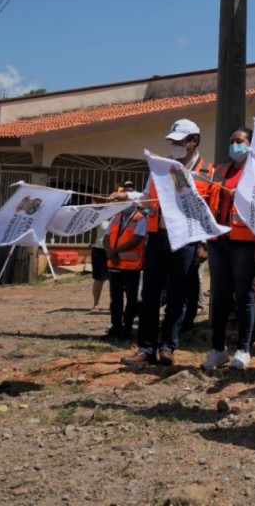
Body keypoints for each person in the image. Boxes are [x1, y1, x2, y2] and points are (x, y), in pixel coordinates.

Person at [119, 119, 213, 366]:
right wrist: (127, 196)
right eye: (172, 141)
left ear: (194, 141)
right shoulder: (160, 168)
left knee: (178, 295)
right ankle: (147, 348)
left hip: (186, 241)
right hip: (158, 237)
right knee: (150, 294)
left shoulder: (208, 173)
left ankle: (168, 347)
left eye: (180, 141)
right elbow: (147, 198)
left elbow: (206, 212)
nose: (175, 146)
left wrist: (202, 244)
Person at [201, 127, 255, 371]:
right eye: (231, 140)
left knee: (244, 295)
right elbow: (207, 201)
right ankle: (218, 349)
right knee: (219, 296)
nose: (234, 145)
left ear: (251, 144)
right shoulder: (220, 170)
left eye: (239, 141)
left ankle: (244, 348)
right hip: (219, 241)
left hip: (245, 241)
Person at [103, 201, 146, 340]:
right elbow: (106, 238)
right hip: (114, 265)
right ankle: (116, 327)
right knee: (115, 299)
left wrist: (114, 252)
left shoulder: (141, 219)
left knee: (132, 299)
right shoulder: (116, 217)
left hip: (131, 266)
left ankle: (127, 327)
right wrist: (110, 253)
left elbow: (136, 240)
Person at [88, 212, 110, 314]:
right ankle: (96, 303)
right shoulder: (101, 217)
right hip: (99, 250)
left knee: (114, 280)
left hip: (114, 250)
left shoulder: (120, 217)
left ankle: (113, 303)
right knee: (99, 279)